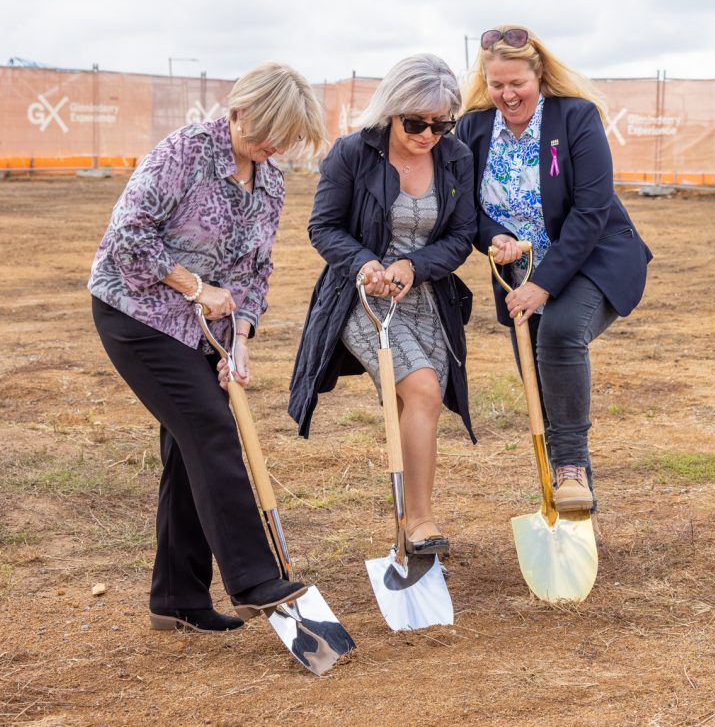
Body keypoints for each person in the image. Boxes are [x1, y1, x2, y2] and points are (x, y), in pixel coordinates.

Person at [89, 62, 325, 633]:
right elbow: (128, 237)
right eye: (267, 130)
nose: (275, 145)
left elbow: (254, 269)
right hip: (137, 314)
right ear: (239, 109)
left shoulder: (269, 178)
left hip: (205, 328)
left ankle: (178, 597)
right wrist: (196, 287)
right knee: (212, 431)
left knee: (186, 450)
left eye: (287, 138)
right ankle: (254, 578)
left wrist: (240, 339)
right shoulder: (186, 152)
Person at [456, 25, 651, 514]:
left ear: (538, 74)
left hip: (593, 258)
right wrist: (491, 236)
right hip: (519, 273)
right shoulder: (474, 128)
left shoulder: (575, 118)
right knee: (536, 378)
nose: (506, 94)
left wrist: (543, 284)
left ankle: (571, 469)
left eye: (516, 83)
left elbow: (591, 209)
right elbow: (466, 208)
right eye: (496, 84)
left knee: (559, 335)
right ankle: (558, 491)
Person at [288, 54, 476, 556]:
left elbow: (461, 236)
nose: (428, 135)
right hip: (361, 299)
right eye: (416, 123)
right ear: (392, 111)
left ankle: (408, 529)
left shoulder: (456, 157)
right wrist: (366, 263)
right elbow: (323, 227)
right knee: (423, 389)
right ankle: (420, 521)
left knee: (415, 402)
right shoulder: (351, 152)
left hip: (425, 296)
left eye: (441, 124)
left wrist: (415, 266)